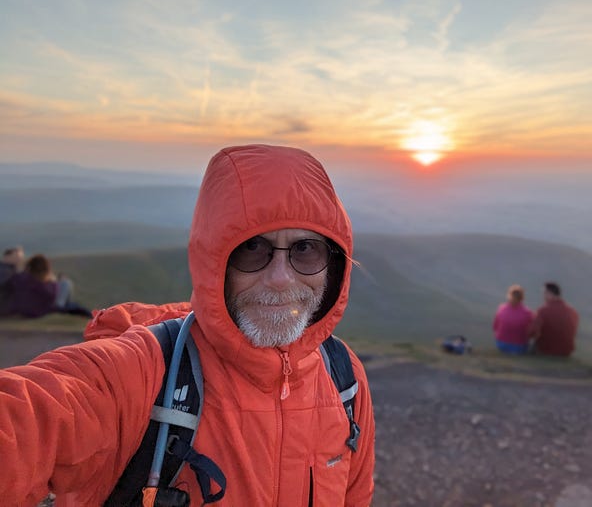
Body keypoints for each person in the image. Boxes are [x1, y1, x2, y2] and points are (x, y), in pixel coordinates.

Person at [0, 144, 375, 506]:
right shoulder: (144, 374)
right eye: (251, 248)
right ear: (213, 261)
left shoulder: (344, 379)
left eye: (306, 250)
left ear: (335, 266)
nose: (280, 278)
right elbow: (32, 415)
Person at [2, 254, 92, 319]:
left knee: (66, 291)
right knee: (66, 284)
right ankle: (91, 315)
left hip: (23, 309)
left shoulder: (19, 278)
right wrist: (53, 281)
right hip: (41, 309)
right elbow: (51, 296)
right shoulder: (46, 287)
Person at [529, 281, 579, 357]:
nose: (543, 296)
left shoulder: (543, 311)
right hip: (566, 352)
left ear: (550, 294)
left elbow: (532, 332)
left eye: (544, 293)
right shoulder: (573, 312)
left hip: (546, 350)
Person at [492, 284, 534, 355]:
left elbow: (495, 326)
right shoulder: (528, 313)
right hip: (520, 347)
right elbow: (532, 331)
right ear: (522, 298)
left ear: (508, 296)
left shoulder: (501, 309)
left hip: (501, 344)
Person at [0, 246, 25, 315]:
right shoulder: (4, 271)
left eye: (21, 256)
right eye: (16, 256)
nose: (19, 259)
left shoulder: (13, 270)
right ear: (7, 257)